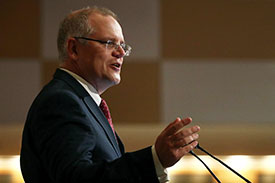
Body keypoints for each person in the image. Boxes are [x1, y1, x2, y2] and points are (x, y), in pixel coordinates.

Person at [20, 6, 200, 183]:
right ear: (74, 49)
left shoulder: (82, 103)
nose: (121, 52)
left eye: (122, 45)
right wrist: (155, 160)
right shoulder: (61, 101)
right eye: (109, 43)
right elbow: (75, 178)